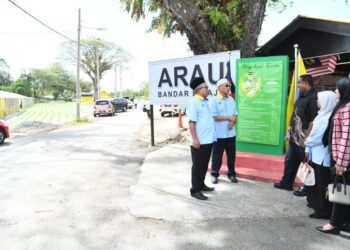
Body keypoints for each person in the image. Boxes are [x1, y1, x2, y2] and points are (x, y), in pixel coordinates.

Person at [316, 77, 350, 235]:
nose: (335, 90)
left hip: (344, 159)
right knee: (345, 189)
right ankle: (344, 222)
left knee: (341, 189)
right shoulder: (343, 105)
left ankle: (334, 224)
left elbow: (347, 137)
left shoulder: (348, 107)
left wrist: (341, 162)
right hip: (342, 157)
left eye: (337, 88)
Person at [274, 74, 318, 193]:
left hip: (303, 138)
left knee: (305, 163)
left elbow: (313, 120)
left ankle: (307, 188)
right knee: (289, 160)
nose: (298, 86)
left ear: (306, 83)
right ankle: (286, 183)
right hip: (293, 136)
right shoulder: (302, 96)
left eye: (299, 83)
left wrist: (307, 137)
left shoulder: (313, 97)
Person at [305, 91, 337, 219]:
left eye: (319, 100)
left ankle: (324, 211)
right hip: (315, 156)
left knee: (323, 185)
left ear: (326, 102)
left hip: (323, 158)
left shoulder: (328, 118)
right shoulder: (320, 115)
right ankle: (317, 205)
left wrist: (305, 142)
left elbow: (318, 138)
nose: (317, 102)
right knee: (316, 183)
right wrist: (307, 146)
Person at [187, 77, 216, 200]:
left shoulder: (204, 101)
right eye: (206, 87)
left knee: (204, 165)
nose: (208, 89)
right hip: (199, 141)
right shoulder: (194, 102)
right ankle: (195, 190)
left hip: (208, 140)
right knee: (198, 166)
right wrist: (195, 139)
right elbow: (191, 123)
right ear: (198, 90)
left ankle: (201, 184)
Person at [210, 78, 238, 184]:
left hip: (231, 133)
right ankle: (214, 174)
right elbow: (215, 116)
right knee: (217, 155)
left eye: (229, 86)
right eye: (226, 86)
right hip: (219, 133)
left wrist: (232, 122)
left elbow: (235, 114)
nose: (229, 88)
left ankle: (231, 174)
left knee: (231, 155)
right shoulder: (214, 101)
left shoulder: (231, 100)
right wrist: (228, 118)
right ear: (219, 87)